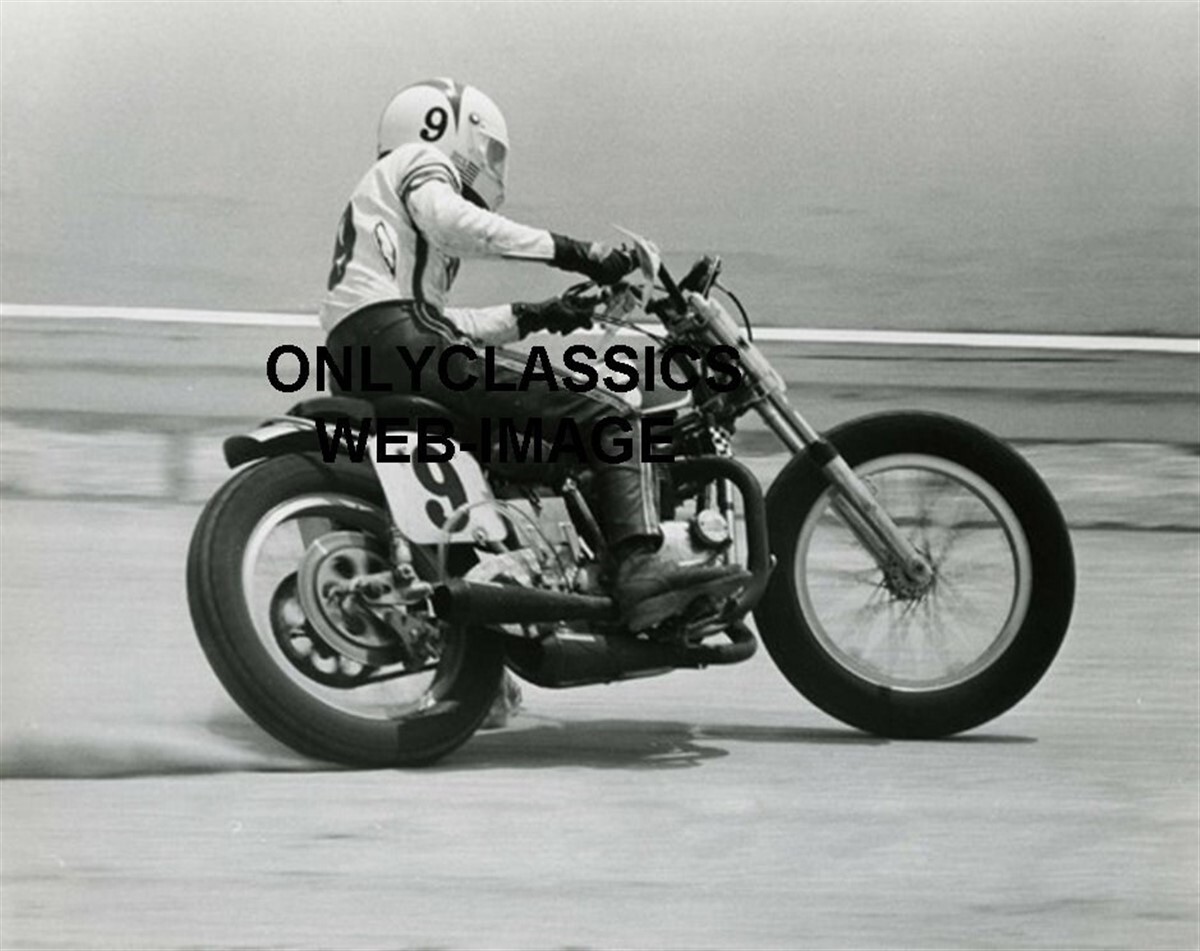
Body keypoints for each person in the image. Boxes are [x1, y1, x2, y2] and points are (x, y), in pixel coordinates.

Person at [318, 78, 747, 639]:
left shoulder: (386, 226)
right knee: (607, 407)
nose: (491, 165)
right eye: (490, 151)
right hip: (399, 340)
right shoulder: (419, 163)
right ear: (447, 128)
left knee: (519, 463)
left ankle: (502, 625)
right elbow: (452, 228)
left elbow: (448, 327)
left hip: (370, 352)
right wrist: (581, 254)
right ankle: (643, 566)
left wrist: (544, 313)